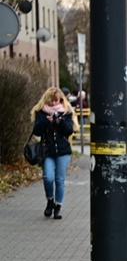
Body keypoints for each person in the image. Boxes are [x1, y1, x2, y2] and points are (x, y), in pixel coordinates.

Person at [31, 87, 76, 220]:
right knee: (48, 178)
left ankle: (57, 207)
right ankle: (50, 201)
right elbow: (37, 131)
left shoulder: (66, 112)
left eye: (55, 101)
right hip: (47, 150)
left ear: (60, 100)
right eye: (50, 100)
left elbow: (69, 131)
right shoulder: (41, 112)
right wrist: (46, 121)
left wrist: (59, 121)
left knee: (59, 180)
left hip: (63, 150)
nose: (53, 103)